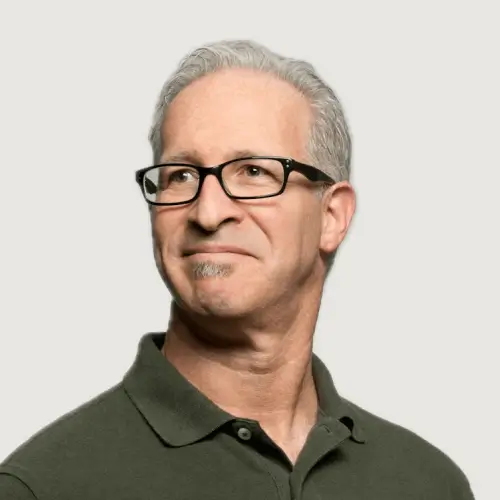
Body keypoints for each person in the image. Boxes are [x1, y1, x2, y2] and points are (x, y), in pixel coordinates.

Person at [0, 39, 475, 499]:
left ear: (331, 216)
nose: (208, 213)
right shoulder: (44, 487)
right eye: (181, 176)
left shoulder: (429, 485)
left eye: (253, 172)